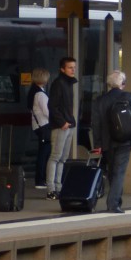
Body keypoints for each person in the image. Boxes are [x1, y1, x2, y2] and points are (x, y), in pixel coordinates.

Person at [91, 70, 131, 213]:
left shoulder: (99, 100)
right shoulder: (128, 97)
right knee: (119, 172)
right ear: (122, 83)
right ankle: (114, 203)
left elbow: (96, 124)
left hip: (107, 142)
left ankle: (116, 199)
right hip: (124, 140)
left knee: (112, 172)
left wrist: (97, 144)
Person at [46, 56, 78, 200]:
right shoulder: (59, 83)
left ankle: (58, 187)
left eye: (74, 67)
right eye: (70, 67)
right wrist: (62, 122)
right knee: (56, 157)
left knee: (62, 158)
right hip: (62, 125)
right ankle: (51, 189)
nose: (73, 70)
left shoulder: (68, 83)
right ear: (62, 69)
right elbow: (52, 105)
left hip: (68, 124)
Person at [28, 68, 52, 190]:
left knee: (43, 153)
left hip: (38, 126)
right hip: (44, 126)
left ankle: (41, 179)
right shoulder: (40, 94)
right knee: (44, 154)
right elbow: (47, 112)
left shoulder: (33, 91)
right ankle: (40, 179)